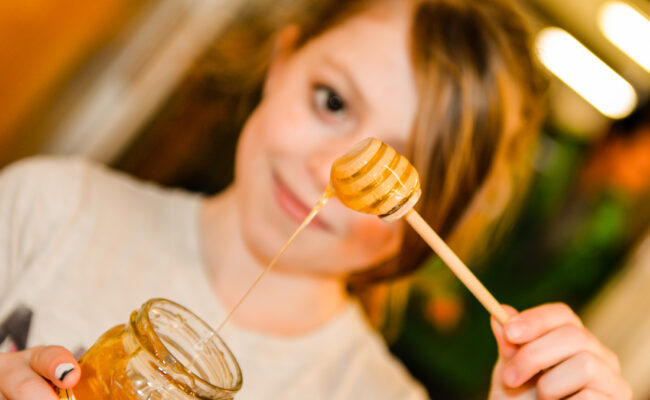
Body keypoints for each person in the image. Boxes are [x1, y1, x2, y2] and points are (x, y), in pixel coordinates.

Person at [0, 0, 632, 399]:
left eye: (394, 164)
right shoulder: (52, 205)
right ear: (282, 63)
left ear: (430, 217)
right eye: (331, 101)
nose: (329, 168)